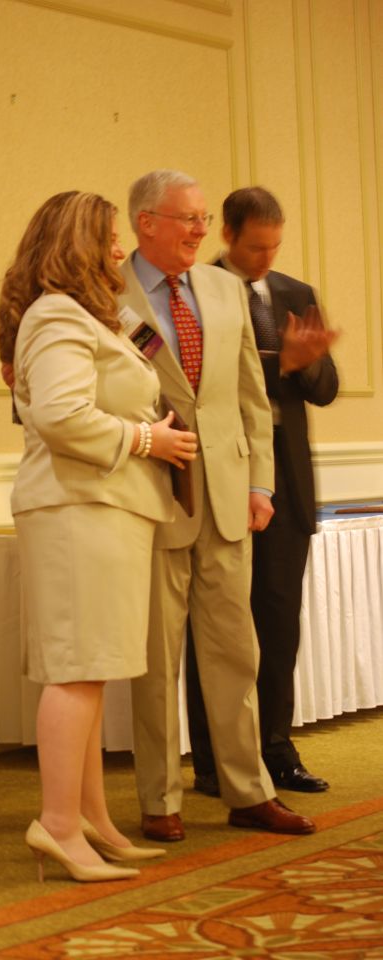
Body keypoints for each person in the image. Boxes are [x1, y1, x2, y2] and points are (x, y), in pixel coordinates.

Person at [0, 190, 198, 882]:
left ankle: (91, 820)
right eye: (111, 237)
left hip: (103, 506)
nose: (120, 249)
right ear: (80, 243)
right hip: (78, 506)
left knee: (91, 668)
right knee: (77, 669)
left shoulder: (90, 317)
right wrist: (148, 437)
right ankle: (56, 826)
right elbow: (58, 414)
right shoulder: (56, 314)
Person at [119, 169, 316, 840]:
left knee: (236, 652)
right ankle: (159, 798)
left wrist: (260, 483)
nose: (201, 231)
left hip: (232, 500)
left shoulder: (224, 289)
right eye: (188, 219)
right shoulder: (105, 295)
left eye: (204, 219)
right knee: (155, 658)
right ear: (146, 223)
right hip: (152, 499)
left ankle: (245, 788)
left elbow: (248, 400)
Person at [186, 186, 339, 797]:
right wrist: (282, 364)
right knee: (219, 627)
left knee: (278, 624)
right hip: (221, 482)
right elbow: (208, 376)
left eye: (275, 246)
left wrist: (307, 363)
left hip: (288, 487)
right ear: (227, 233)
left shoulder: (297, 295)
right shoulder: (194, 290)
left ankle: (276, 747)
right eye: (255, 246)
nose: (265, 258)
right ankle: (212, 761)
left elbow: (325, 390)